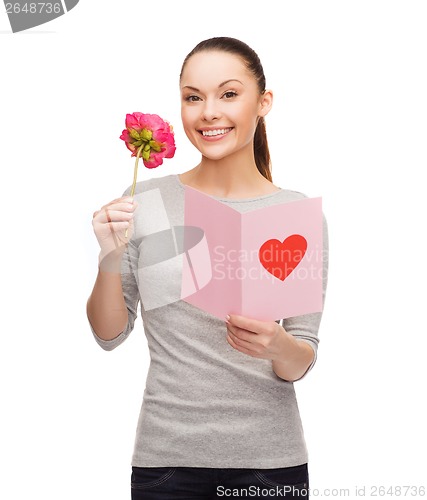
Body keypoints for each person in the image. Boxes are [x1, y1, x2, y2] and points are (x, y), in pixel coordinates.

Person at [87, 36, 329, 500]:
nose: (208, 112)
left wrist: (279, 346)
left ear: (263, 103)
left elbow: (302, 359)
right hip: (166, 464)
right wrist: (109, 257)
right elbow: (108, 335)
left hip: (269, 467)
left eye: (229, 94)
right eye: (193, 97)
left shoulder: (295, 216)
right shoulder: (147, 202)